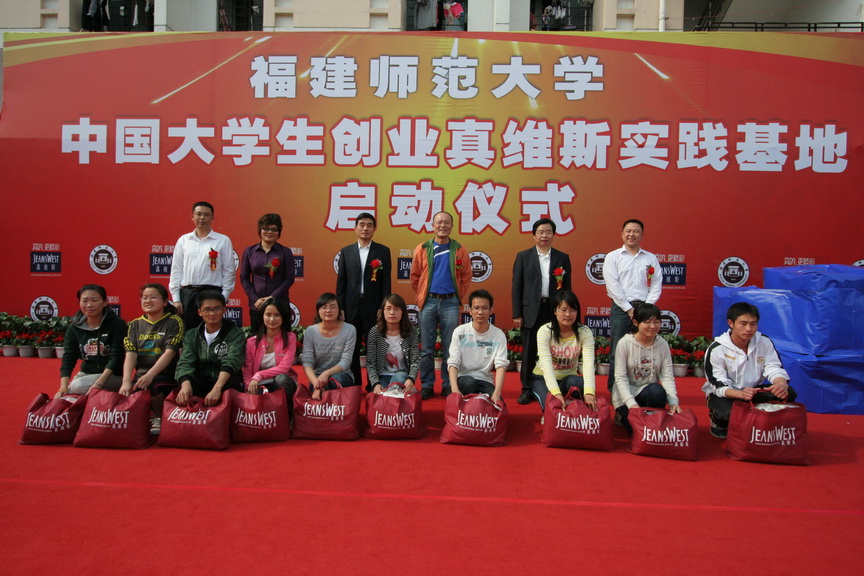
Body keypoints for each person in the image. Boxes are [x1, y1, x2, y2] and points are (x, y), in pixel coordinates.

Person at [702, 302, 796, 439]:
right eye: (743, 323)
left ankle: (764, 423)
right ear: (731, 323)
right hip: (728, 393)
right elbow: (718, 385)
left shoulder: (764, 342)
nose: (749, 329)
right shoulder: (717, 349)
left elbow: (773, 368)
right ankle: (719, 422)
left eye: (753, 324)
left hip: (754, 390)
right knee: (727, 412)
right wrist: (740, 394)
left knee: (788, 392)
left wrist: (781, 384)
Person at [410, 211, 471, 400]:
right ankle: (427, 385)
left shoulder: (460, 249)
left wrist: (457, 295)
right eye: (439, 222)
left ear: (452, 226)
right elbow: (415, 277)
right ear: (433, 225)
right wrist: (423, 295)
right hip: (428, 301)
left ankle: (448, 384)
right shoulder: (422, 248)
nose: (442, 225)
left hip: (450, 303)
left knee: (450, 347)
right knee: (427, 348)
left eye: (446, 222)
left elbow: (466, 277)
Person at [512, 217, 572, 405]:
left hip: (554, 310)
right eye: (540, 232)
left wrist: (566, 311)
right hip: (531, 310)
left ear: (553, 235)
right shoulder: (523, 256)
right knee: (529, 352)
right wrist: (517, 313)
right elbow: (517, 287)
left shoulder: (562, 258)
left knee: (554, 349)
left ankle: (551, 386)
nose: (544, 235)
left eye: (548, 232)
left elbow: (567, 288)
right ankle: (527, 389)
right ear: (534, 235)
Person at [604, 218, 663, 393]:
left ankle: (644, 388)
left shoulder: (651, 258)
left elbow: (656, 285)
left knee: (645, 350)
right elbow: (612, 286)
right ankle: (615, 390)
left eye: (636, 231)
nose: (632, 234)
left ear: (642, 235)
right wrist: (629, 309)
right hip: (621, 309)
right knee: (618, 351)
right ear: (622, 234)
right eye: (628, 231)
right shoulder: (613, 257)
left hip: (645, 310)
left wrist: (645, 310)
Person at [335, 212, 391, 391]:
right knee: (351, 346)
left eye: (369, 225)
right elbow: (341, 282)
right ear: (355, 228)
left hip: (373, 306)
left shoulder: (383, 251)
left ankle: (373, 384)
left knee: (374, 346)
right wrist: (340, 307)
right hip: (351, 306)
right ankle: (354, 383)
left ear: (374, 229)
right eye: (362, 225)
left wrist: (383, 306)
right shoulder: (346, 251)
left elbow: (386, 283)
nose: (365, 228)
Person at [120, 283, 185, 435]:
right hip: (141, 375)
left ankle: (159, 417)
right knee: (127, 388)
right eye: (145, 298)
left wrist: (150, 375)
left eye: (153, 297)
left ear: (165, 302)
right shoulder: (135, 324)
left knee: (151, 385)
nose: (148, 301)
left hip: (166, 375)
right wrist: (126, 381)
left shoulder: (174, 322)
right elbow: (130, 354)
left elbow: (170, 353)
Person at [611, 303, 681, 434]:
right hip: (625, 395)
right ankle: (621, 414)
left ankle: (651, 417)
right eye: (647, 322)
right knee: (637, 432)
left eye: (657, 322)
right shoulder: (624, 343)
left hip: (648, 391)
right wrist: (632, 405)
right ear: (636, 322)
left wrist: (673, 401)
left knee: (657, 391)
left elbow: (667, 376)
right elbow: (620, 378)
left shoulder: (662, 344)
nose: (653, 326)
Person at [169, 201, 237, 330]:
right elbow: (176, 270)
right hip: (188, 294)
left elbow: (229, 271)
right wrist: (176, 299)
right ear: (192, 216)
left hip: (213, 293)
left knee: (211, 330)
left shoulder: (223, 240)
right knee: (189, 332)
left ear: (213, 218)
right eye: (198, 214)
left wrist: (224, 297)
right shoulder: (184, 240)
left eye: (206, 215)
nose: (202, 218)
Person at [174, 290, 245, 406]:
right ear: (199, 312)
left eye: (217, 309)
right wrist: (185, 385)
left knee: (230, 386)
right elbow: (185, 362)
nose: (212, 313)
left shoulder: (235, 333)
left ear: (224, 310)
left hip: (226, 381)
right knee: (185, 389)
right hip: (200, 381)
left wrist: (217, 388)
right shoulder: (192, 335)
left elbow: (232, 361)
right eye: (207, 309)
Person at [530, 291, 597, 412]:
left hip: (569, 378)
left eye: (572, 310)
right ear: (555, 311)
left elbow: (588, 364)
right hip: (542, 378)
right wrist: (556, 393)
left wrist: (589, 392)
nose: (568, 314)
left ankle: (572, 408)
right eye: (563, 310)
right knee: (551, 406)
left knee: (578, 383)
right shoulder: (545, 331)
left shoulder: (584, 332)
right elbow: (546, 365)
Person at [56, 284, 126, 398]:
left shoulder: (117, 325)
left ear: (105, 302)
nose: (89, 305)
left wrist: (98, 384)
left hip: (112, 376)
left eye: (94, 300)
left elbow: (117, 357)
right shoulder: (74, 328)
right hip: (85, 375)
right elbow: (69, 357)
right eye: (84, 301)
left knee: (78, 387)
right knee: (64, 396)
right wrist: (63, 388)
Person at [447, 290, 509, 405]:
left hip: (485, 381)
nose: (480, 312)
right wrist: (455, 390)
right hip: (463, 379)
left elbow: (501, 365)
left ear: (491, 310)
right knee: (469, 383)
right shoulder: (460, 331)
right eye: (476, 308)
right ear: (470, 311)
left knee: (499, 405)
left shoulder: (499, 334)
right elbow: (453, 362)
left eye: (485, 308)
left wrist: (497, 393)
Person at [240, 213, 295, 333]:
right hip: (257, 305)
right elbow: (244, 278)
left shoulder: (285, 252)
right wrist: (255, 299)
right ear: (260, 230)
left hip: (280, 304)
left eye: (274, 229)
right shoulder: (249, 251)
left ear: (279, 232)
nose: (270, 232)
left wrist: (272, 298)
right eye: (266, 228)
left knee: (282, 338)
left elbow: (289, 278)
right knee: (258, 338)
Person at [302, 292, 358, 400]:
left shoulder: (349, 329)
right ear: (318, 310)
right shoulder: (310, 331)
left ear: (339, 310)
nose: (328, 311)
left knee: (338, 379)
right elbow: (307, 362)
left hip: (342, 376)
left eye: (333, 307)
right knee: (321, 389)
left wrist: (326, 374)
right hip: (317, 379)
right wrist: (317, 385)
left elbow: (346, 362)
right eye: (324, 307)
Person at [242, 297, 298, 398]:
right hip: (258, 384)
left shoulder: (290, 338)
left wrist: (259, 375)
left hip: (281, 382)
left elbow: (284, 368)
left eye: (277, 315)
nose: (272, 319)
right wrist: (248, 387)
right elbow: (248, 372)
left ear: (283, 317)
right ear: (262, 316)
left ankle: (287, 408)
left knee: (281, 379)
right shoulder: (251, 342)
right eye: (268, 315)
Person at [366, 294, 420, 394]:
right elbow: (370, 362)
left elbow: (415, 360)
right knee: (382, 394)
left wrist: (411, 379)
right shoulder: (375, 332)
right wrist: (375, 383)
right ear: (383, 311)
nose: (392, 312)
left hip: (403, 375)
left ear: (402, 312)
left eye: (396, 309)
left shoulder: (410, 332)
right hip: (383, 376)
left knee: (396, 383)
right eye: (388, 309)